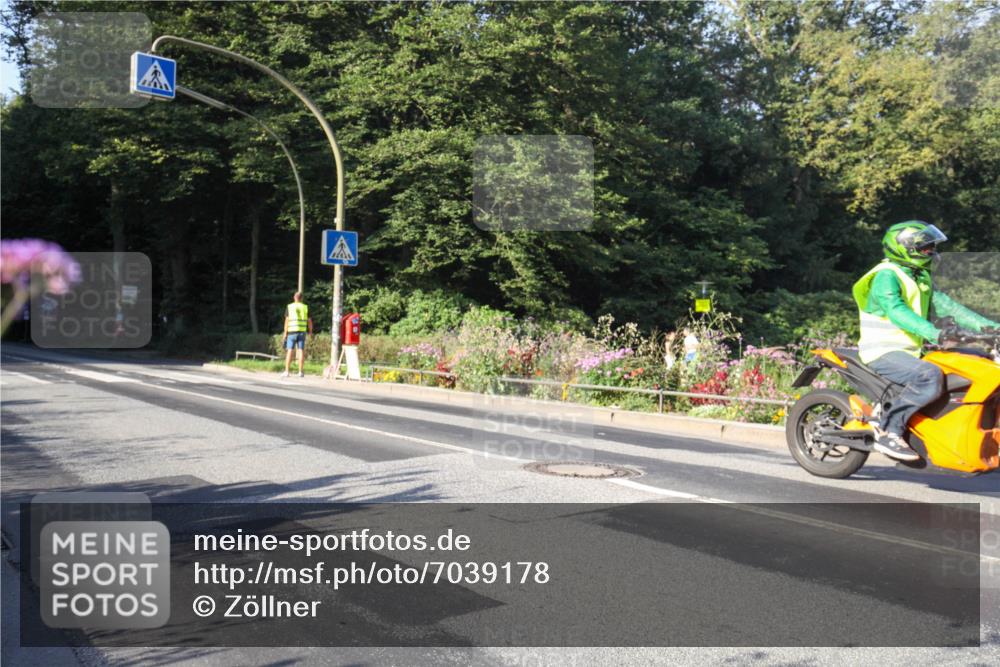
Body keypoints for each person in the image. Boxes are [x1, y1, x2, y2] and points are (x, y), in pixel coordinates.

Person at [852, 221, 1000, 461]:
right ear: (904, 247)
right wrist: (935, 333)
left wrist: (992, 328)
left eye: (931, 247)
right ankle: (889, 431)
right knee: (929, 376)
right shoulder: (885, 276)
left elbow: (950, 307)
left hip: (910, 352)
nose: (931, 252)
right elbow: (897, 310)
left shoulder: (919, 276)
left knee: (971, 363)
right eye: (925, 248)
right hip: (881, 351)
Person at [281, 292, 313, 378]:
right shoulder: (305, 307)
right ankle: (300, 372)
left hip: (291, 331)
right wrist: (310, 331)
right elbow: (309, 321)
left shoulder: (290, 307)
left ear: (294, 298)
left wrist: (285, 333)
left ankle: (287, 371)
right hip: (302, 332)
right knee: (301, 350)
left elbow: (287, 321)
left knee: (290, 351)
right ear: (301, 298)